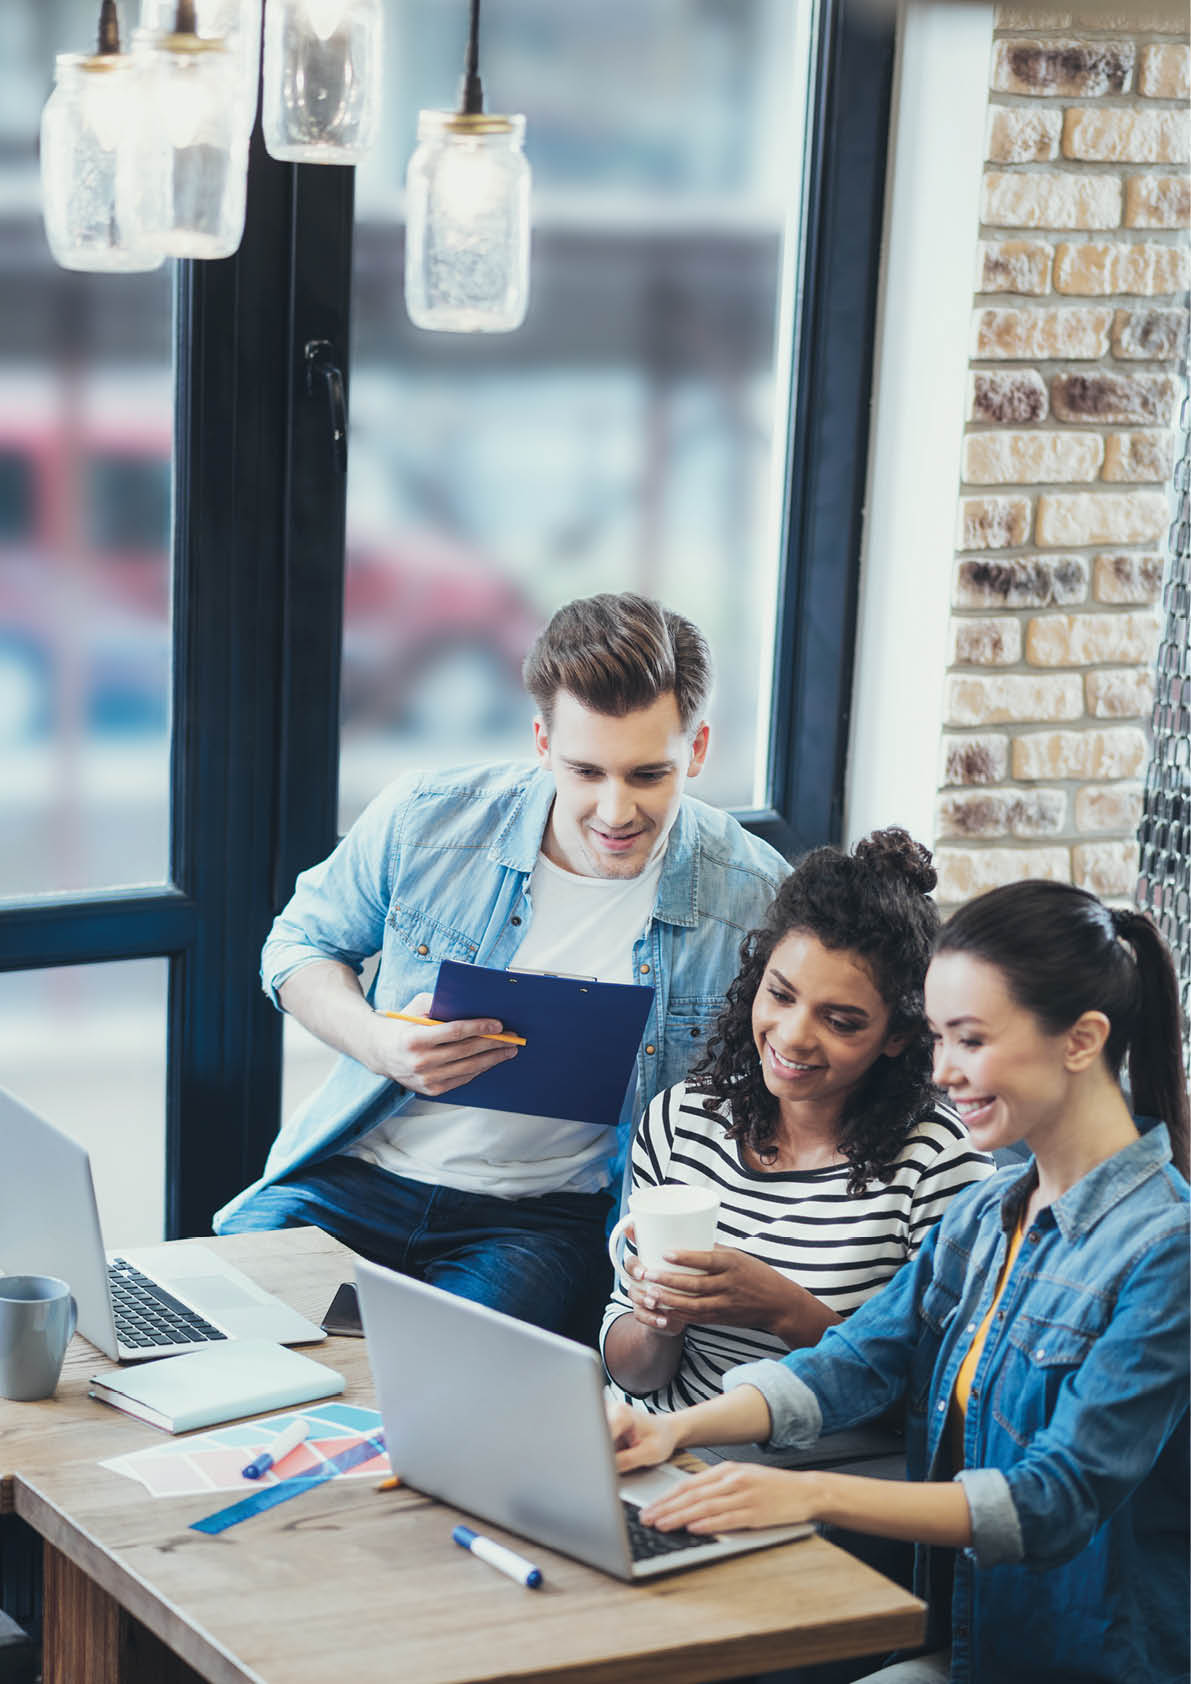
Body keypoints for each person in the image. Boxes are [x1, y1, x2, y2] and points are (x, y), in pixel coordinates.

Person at [608, 879, 1190, 1684]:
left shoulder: (1165, 1249)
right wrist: (678, 1431)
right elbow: (851, 1361)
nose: (943, 1073)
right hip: (969, 1638)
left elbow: (1051, 1502)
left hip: (1085, 1660)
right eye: (938, 1039)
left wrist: (811, 1499)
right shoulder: (989, 1213)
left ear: (1080, 1039)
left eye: (970, 1040)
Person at [214, 592, 790, 1339]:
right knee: (216, 1323)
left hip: (540, 1220)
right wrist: (379, 1043)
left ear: (699, 749)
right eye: (585, 771)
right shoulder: (428, 817)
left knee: (454, 1385)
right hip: (355, 1178)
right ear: (541, 743)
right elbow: (297, 947)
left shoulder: (751, 898)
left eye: (648, 775)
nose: (614, 812)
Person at [602, 829, 993, 1413]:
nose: (792, 1036)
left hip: (809, 1478)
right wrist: (660, 1322)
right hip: (655, 1452)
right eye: (781, 996)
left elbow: (937, 1403)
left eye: (841, 1022)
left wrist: (783, 1310)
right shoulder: (683, 1120)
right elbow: (635, 1377)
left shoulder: (938, 1166)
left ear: (898, 1036)